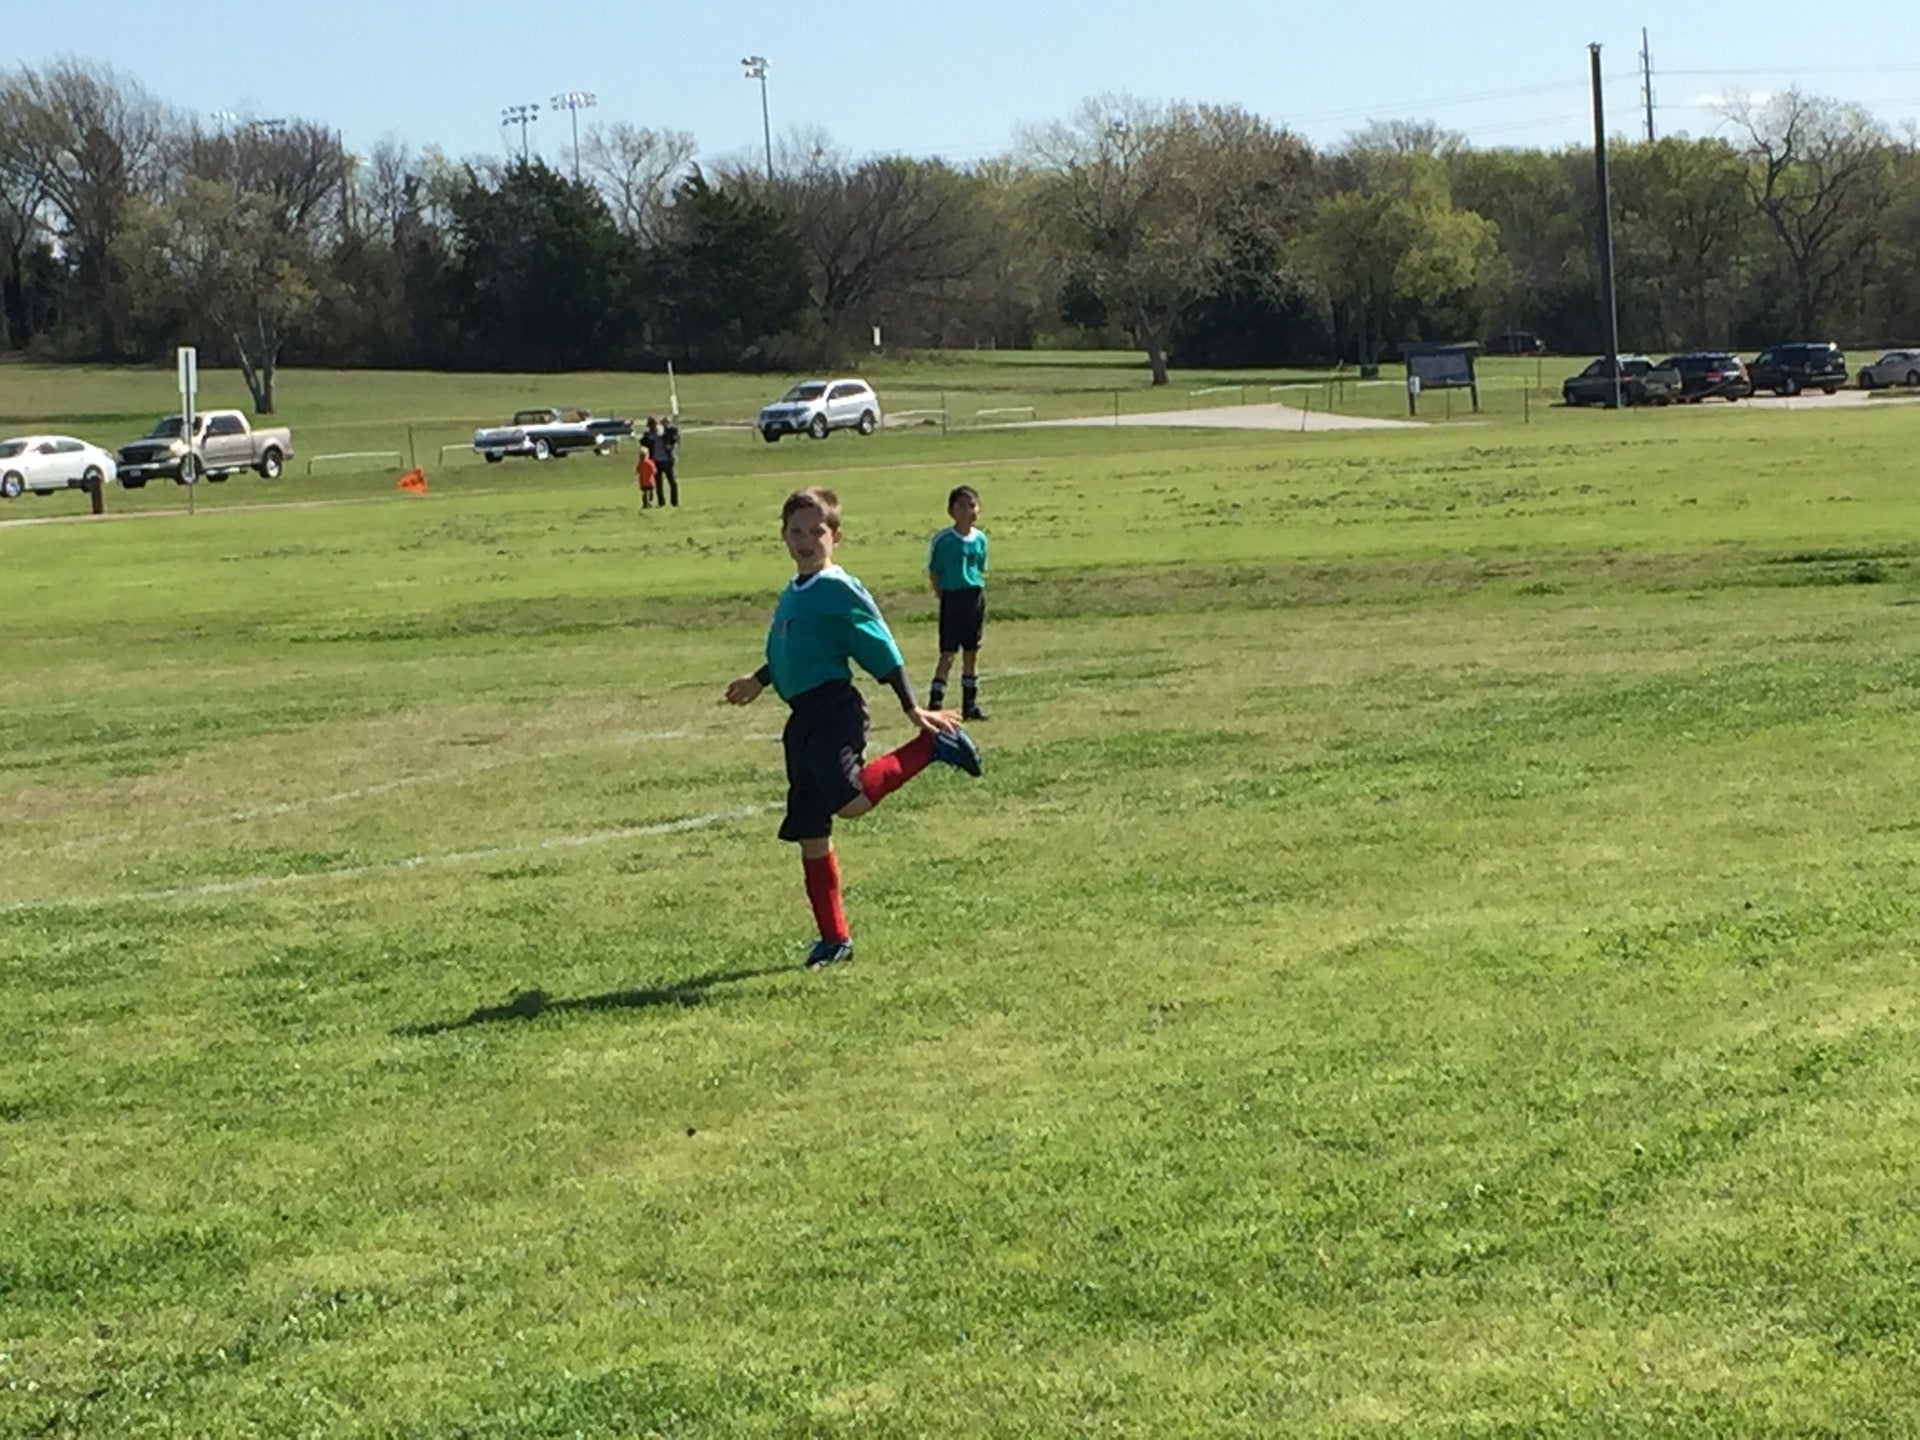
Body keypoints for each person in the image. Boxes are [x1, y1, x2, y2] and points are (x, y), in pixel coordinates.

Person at [725, 487, 982, 970]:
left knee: (851, 802)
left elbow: (878, 643)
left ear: (835, 537)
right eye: (796, 531)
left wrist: (912, 707)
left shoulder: (837, 587)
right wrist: (759, 680)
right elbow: (791, 650)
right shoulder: (795, 591)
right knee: (810, 831)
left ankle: (930, 747)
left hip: (833, 711)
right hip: (802, 720)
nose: (806, 540)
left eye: (816, 531)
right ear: (783, 536)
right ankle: (834, 940)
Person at [926, 485, 990, 720]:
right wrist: (942, 594)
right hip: (952, 597)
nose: (966, 511)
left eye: (971, 506)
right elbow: (934, 571)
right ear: (951, 510)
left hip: (973, 597)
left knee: (971, 650)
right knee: (948, 652)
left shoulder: (980, 539)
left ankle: (970, 704)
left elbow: (980, 567)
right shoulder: (944, 540)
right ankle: (936, 701)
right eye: (961, 506)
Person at [643, 415, 679, 508]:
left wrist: (670, 444)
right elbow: (644, 443)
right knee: (658, 483)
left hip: (667, 459)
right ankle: (661, 502)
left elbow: (674, 436)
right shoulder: (648, 435)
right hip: (656, 461)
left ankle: (674, 502)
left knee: (672, 481)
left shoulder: (664, 430)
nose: (652, 428)